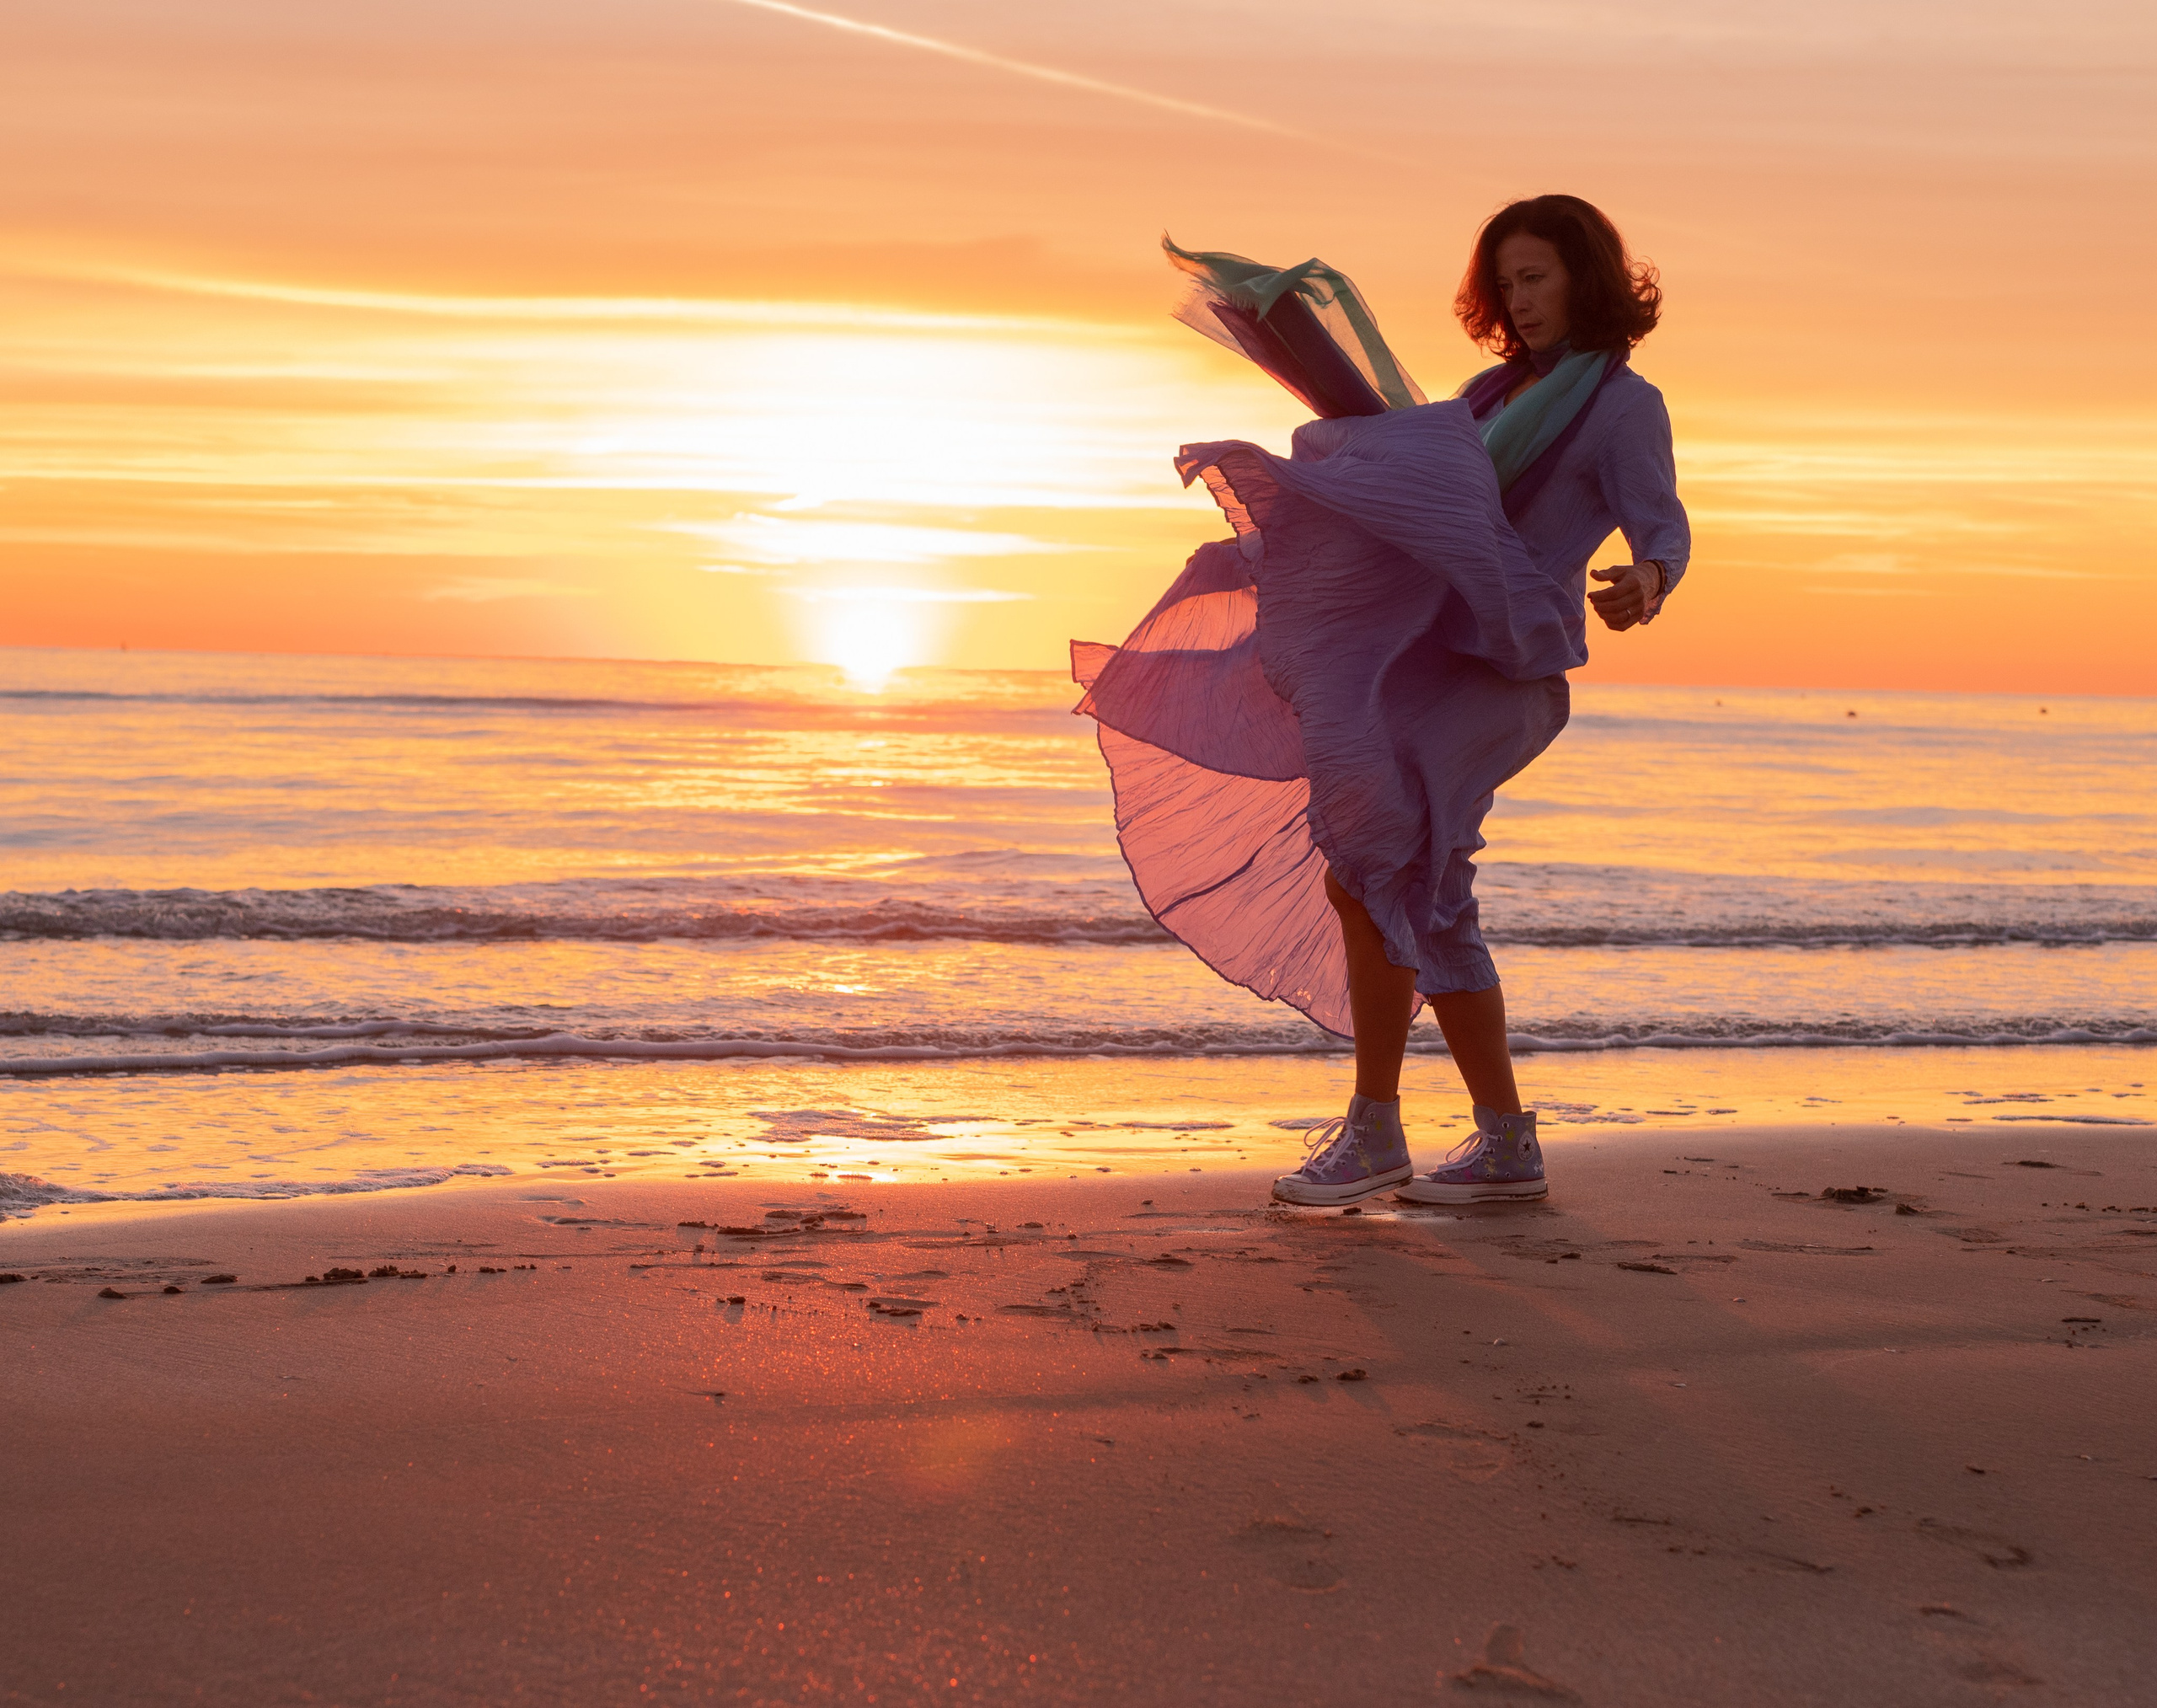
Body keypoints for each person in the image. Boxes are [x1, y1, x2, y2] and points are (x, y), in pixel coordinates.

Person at [1072, 195, 1689, 1207]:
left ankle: (1376, 1132)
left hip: (1501, 676)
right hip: (1414, 658)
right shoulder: (1485, 397)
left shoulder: (1624, 406)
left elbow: (1661, 524)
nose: (1519, 300)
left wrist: (1648, 582)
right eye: (1505, 283)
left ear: (1589, 276)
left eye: (1536, 276)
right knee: (1414, 883)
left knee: (1374, 867)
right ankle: (1502, 1142)